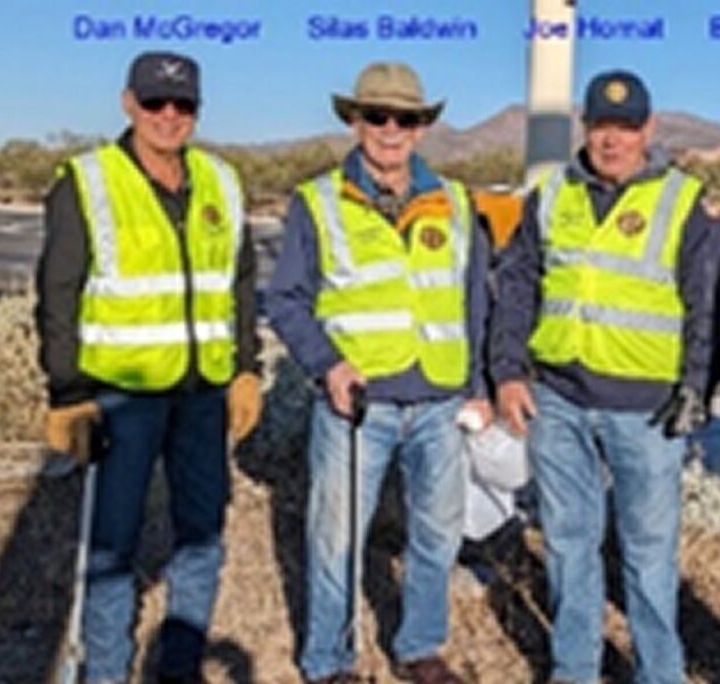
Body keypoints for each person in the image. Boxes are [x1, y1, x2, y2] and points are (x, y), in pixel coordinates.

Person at [491, 70, 720, 683]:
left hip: (646, 412)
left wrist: (695, 388)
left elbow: (708, 306)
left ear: (648, 129)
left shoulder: (684, 202)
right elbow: (517, 283)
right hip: (559, 401)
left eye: (626, 127)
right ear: (585, 128)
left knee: (648, 558)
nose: (612, 139)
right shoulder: (552, 194)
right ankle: (575, 669)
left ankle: (659, 673)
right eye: (601, 126)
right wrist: (509, 372)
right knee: (569, 547)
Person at [35, 51, 262, 684]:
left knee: (202, 534)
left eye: (182, 104)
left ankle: (180, 666)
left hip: (202, 396)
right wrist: (68, 393)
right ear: (129, 103)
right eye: (155, 102)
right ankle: (104, 669)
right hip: (121, 398)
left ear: (196, 111)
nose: (169, 116)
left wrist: (247, 368)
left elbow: (240, 284)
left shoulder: (222, 182)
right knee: (112, 546)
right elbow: (59, 293)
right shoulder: (88, 181)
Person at [266, 62, 490, 684]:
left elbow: (475, 298)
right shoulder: (318, 202)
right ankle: (330, 659)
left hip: (440, 398)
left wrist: (478, 386)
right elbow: (285, 299)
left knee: (436, 535)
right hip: (355, 403)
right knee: (335, 538)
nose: (390, 129)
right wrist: (327, 365)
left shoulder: (456, 201)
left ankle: (419, 645)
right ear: (355, 122)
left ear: (422, 128)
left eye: (404, 118)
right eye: (377, 116)